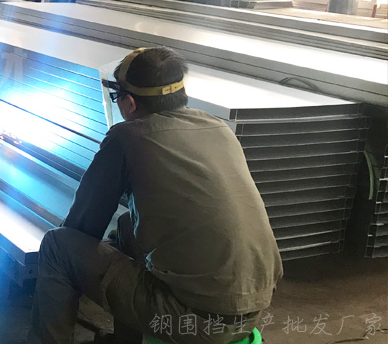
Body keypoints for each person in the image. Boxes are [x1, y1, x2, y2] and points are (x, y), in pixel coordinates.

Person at [29, 47, 283, 344]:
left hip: (192, 319)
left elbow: (81, 228)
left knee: (57, 246)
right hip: (252, 309)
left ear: (130, 102)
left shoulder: (127, 137)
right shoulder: (218, 127)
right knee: (127, 227)